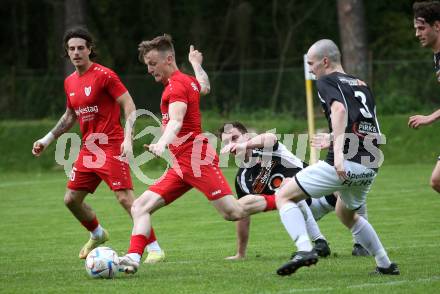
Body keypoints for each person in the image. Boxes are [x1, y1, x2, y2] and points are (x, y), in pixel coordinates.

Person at [117, 35, 281, 274]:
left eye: (152, 64)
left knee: (232, 212)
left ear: (168, 59)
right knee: (140, 206)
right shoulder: (187, 81)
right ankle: (133, 258)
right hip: (181, 164)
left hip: (196, 160)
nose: (150, 70)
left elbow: (176, 120)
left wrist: (162, 142)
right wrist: (196, 63)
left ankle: (285, 196)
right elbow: (204, 85)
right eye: (147, 65)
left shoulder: (175, 86)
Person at [31, 27, 164, 263]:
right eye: (71, 49)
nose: (76, 52)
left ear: (90, 49)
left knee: (126, 199)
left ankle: (154, 247)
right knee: (71, 200)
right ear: (67, 52)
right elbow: (70, 115)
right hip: (88, 150)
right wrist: (47, 139)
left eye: (81, 47)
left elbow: (129, 105)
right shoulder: (70, 82)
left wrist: (127, 137)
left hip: (111, 145)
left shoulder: (105, 75)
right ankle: (98, 233)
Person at [274, 39, 399, 276]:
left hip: (345, 162)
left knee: (284, 195)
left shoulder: (326, 80)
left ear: (325, 61)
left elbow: (339, 110)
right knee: (345, 213)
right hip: (371, 163)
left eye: (311, 63)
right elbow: (367, 124)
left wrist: (339, 156)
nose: (310, 69)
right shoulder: (361, 84)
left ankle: (304, 249)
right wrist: (332, 137)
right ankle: (385, 264)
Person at [219, 122, 369, 260]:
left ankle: (361, 244)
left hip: (323, 192)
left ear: (246, 136)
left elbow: (270, 137)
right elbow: (242, 214)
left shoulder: (265, 147)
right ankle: (319, 241)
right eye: (226, 143)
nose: (231, 145)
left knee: (347, 179)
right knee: (284, 190)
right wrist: (240, 253)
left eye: (235, 138)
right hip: (304, 210)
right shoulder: (242, 179)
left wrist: (245, 145)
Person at [410, 1, 440, 193]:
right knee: (437, 181)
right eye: (415, 29)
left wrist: (431, 117)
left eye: (421, 28)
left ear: (437, 26)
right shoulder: (437, 55)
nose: (417, 34)